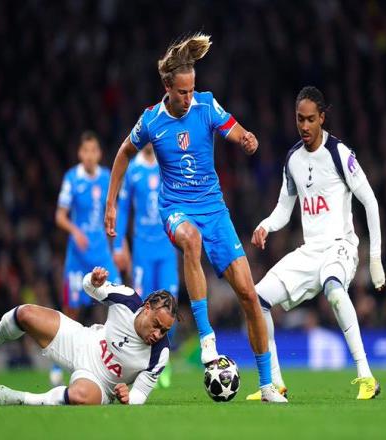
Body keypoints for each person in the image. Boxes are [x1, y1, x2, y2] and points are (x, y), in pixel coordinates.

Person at [104, 33, 286, 402]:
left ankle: (267, 385)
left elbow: (233, 128)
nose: (189, 98)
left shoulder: (205, 104)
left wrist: (246, 138)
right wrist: (111, 204)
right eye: (183, 92)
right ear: (168, 87)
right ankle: (206, 338)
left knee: (249, 295)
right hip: (176, 208)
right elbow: (124, 153)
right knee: (191, 239)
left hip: (214, 210)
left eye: (192, 91)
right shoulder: (151, 120)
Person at [247, 86, 385, 401]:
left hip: (340, 246)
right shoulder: (293, 159)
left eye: (311, 119)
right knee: (257, 299)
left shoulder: (340, 153)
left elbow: (370, 201)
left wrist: (375, 259)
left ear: (322, 117)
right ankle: (274, 383)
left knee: (334, 290)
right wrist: (266, 225)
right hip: (310, 251)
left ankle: (366, 376)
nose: (305, 126)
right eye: (300, 119)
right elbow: (284, 209)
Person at [0, 267, 177, 406]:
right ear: (147, 308)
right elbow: (89, 287)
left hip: (100, 383)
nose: (158, 334)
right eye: (157, 325)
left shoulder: (160, 353)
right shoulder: (127, 298)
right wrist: (94, 280)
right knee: (25, 314)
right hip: (81, 341)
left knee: (79, 396)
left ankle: (23, 399)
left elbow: (140, 395)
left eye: (164, 331)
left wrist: (128, 399)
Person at [53, 131, 121, 385]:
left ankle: (110, 360)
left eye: (94, 151)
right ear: (80, 154)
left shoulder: (106, 177)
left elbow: (115, 211)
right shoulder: (72, 178)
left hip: (102, 254)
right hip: (77, 256)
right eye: (86, 151)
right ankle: (58, 364)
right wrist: (75, 231)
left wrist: (120, 245)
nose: (90, 155)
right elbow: (60, 216)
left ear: (99, 154)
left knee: (115, 304)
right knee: (71, 311)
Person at [112, 144, 179, 387]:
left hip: (167, 248)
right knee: (144, 305)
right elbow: (122, 210)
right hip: (142, 250)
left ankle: (164, 360)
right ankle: (141, 359)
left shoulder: (167, 162)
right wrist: (118, 245)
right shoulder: (133, 169)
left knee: (170, 303)